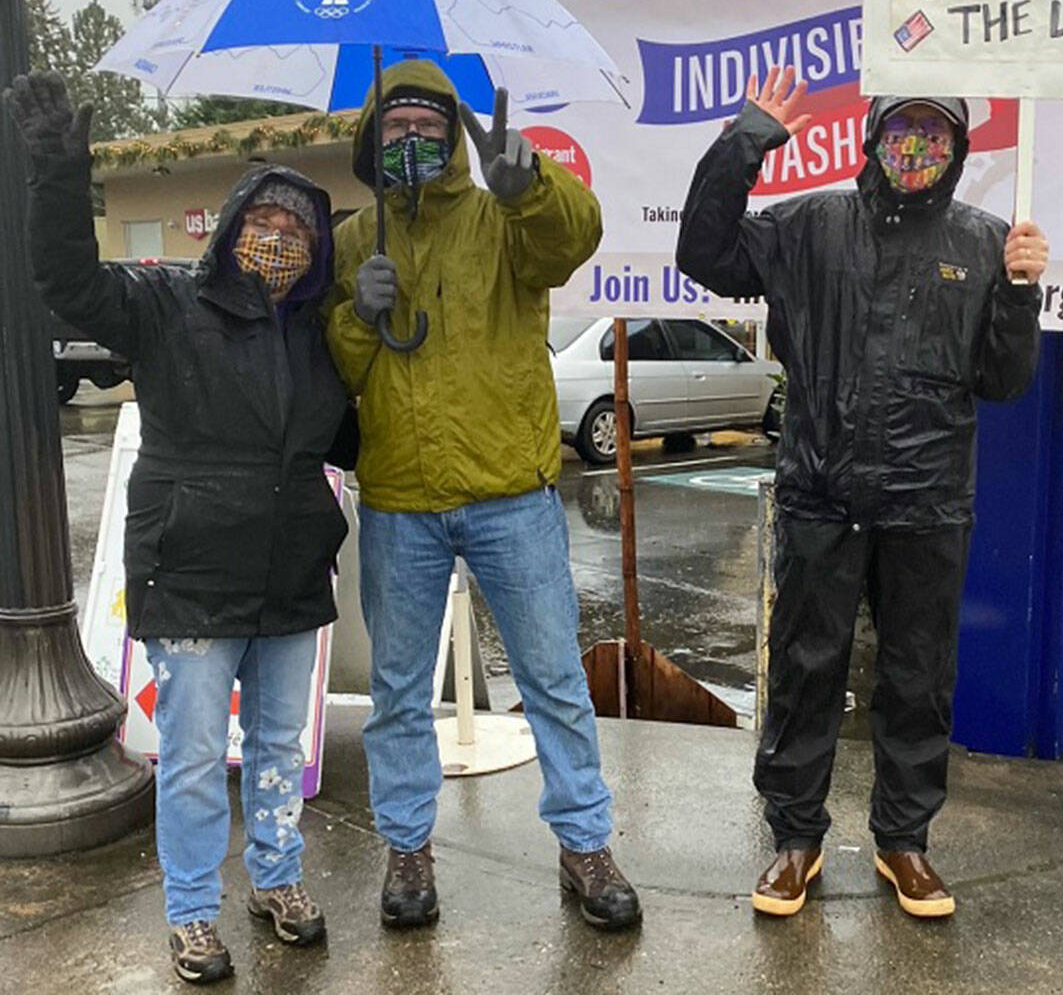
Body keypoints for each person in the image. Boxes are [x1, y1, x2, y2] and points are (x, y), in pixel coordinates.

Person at [676, 65, 1049, 920]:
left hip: (928, 504)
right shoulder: (811, 227)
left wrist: (1021, 292)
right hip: (820, 494)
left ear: (957, 148)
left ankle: (904, 843)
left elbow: (1003, 380)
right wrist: (747, 140)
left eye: (935, 133)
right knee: (807, 671)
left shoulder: (987, 242)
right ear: (875, 138)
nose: (915, 147)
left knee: (919, 679)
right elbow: (704, 250)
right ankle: (795, 839)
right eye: (901, 130)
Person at [6, 72, 351, 984]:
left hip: (288, 573)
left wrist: (385, 333)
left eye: (298, 229)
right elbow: (70, 285)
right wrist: (55, 175)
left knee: (277, 747)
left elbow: (353, 438)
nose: (279, 239)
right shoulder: (166, 304)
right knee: (197, 756)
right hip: (191, 571)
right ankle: (193, 911)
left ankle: (277, 877)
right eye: (264, 223)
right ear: (232, 230)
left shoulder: (320, 332)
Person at [325, 60, 641, 931]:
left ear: (455, 135)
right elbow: (338, 370)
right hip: (398, 499)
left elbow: (573, 236)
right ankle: (408, 852)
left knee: (551, 682)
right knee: (397, 694)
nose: (414, 138)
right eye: (396, 126)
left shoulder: (503, 216)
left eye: (430, 124)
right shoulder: (357, 240)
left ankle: (585, 846)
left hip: (513, 493)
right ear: (370, 140)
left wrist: (531, 183)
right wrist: (357, 309)